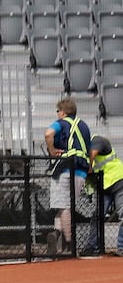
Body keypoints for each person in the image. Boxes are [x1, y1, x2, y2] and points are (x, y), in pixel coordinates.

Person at [44, 96, 92, 254]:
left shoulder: (61, 123)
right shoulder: (84, 126)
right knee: (68, 206)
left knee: (63, 206)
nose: (57, 114)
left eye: (58, 111)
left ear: (63, 112)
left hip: (64, 168)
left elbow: (48, 134)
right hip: (81, 171)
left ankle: (68, 242)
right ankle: (59, 237)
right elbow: (89, 150)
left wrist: (52, 151)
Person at [87, 136, 123, 255]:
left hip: (118, 180)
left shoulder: (97, 140)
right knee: (97, 216)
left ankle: (121, 247)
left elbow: (93, 153)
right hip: (105, 186)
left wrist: (89, 168)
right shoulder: (83, 151)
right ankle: (92, 246)